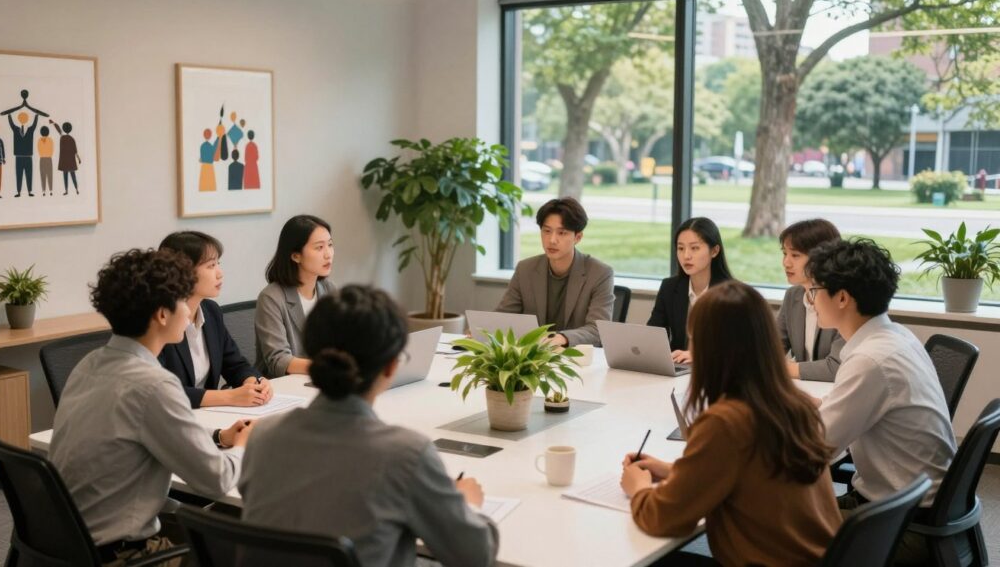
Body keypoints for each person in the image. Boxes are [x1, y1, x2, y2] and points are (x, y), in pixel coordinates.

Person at [241, 285, 499, 567]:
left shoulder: (262, 437)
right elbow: (476, 555)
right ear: (391, 367)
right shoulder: (405, 455)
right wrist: (467, 505)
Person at [48, 248, 251, 565]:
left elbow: (142, 429)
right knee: (251, 524)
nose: (189, 311)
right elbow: (217, 480)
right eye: (184, 300)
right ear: (162, 314)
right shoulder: (153, 384)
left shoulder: (90, 364)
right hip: (127, 554)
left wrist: (218, 437)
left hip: (72, 541)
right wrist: (242, 446)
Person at [620, 281, 841, 567]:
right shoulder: (794, 404)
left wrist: (638, 487)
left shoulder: (727, 423)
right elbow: (751, 475)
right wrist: (673, 470)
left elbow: (664, 519)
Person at [807, 239, 956, 565]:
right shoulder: (894, 336)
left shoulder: (871, 360)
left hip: (902, 525)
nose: (810, 300)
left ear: (842, 297)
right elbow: (846, 405)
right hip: (907, 505)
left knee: (767, 529)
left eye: (814, 290)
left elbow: (812, 451)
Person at [157, 231, 273, 409]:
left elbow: (235, 364)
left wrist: (254, 382)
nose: (219, 273)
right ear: (183, 272)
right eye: (211, 266)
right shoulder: (160, 320)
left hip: (210, 417)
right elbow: (162, 392)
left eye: (218, 264)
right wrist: (229, 396)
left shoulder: (211, 311)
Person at [495, 197, 614, 347]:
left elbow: (597, 330)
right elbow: (503, 317)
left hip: (576, 360)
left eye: (562, 233)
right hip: (532, 358)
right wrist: (484, 330)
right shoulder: (525, 269)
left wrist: (562, 338)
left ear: (578, 237)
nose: (552, 240)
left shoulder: (600, 273)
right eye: (546, 231)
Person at [256, 215, 335, 377]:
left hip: (323, 381)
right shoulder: (271, 297)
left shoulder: (328, 290)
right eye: (319, 248)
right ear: (295, 255)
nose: (328, 254)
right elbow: (278, 360)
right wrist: (325, 368)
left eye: (330, 245)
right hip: (282, 387)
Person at [646, 217, 732, 363]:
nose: (686, 256)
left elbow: (737, 349)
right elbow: (653, 335)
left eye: (694, 248)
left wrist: (699, 356)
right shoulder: (670, 287)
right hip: (678, 370)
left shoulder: (731, 293)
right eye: (681, 248)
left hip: (716, 374)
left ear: (715, 251)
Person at [778, 219, 844, 381]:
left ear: (822, 257)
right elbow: (771, 348)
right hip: (805, 390)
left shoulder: (843, 299)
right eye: (785, 253)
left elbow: (836, 368)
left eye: (795, 255)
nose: (786, 263)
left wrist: (780, 368)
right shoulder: (793, 295)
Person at [7, 110, 38, 197]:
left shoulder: (30, 130)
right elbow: (11, 124)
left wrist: (36, 117)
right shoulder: (16, 130)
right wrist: (9, 116)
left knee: (29, 174)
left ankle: (29, 191)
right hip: (19, 157)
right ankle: (19, 192)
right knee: (19, 174)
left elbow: (34, 125)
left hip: (28, 157)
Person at [50, 119, 81, 195]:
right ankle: (76, 189)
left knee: (65, 176)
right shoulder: (72, 139)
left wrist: (54, 123)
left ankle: (66, 191)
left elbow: (59, 130)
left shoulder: (62, 138)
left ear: (64, 129)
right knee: (73, 175)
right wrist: (79, 159)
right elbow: (75, 151)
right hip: (71, 161)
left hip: (64, 161)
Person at [198, 128, 217, 192]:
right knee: (211, 186)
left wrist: (201, 160)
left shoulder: (202, 146)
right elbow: (213, 158)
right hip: (210, 167)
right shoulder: (211, 146)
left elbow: (201, 159)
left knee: (204, 185)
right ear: (210, 136)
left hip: (204, 167)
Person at [37, 125, 54, 196]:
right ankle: (51, 191)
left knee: (42, 175)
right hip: (49, 158)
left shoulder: (39, 140)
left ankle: (43, 191)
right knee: (50, 175)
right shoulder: (50, 140)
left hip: (42, 159)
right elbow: (52, 150)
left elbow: (38, 149)